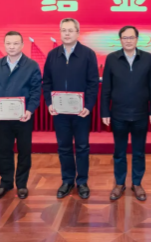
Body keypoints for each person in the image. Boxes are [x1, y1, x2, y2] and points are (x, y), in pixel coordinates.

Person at [101, 25, 151, 201]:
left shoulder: (147, 58)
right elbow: (106, 88)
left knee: (139, 152)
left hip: (141, 114)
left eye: (131, 37)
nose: (128, 41)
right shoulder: (112, 58)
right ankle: (119, 184)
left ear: (137, 39)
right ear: (120, 40)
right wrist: (105, 112)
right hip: (118, 114)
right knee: (119, 152)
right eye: (125, 38)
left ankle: (137, 183)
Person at [42, 18, 99, 200]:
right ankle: (67, 181)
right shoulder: (53, 55)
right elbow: (47, 82)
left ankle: (82, 182)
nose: (66, 34)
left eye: (70, 30)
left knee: (82, 147)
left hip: (81, 111)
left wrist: (88, 106)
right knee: (64, 147)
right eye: (63, 30)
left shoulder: (88, 54)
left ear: (77, 33)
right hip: (59, 111)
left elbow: (93, 83)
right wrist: (49, 103)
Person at [0, 31, 41, 200]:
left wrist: (29, 110)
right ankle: (5, 183)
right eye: (8, 43)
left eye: (15, 43)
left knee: (24, 151)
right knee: (3, 150)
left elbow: (36, 91)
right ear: (4, 45)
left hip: (23, 117)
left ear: (22, 45)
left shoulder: (31, 65)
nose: (12, 46)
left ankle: (22, 185)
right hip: (2, 117)